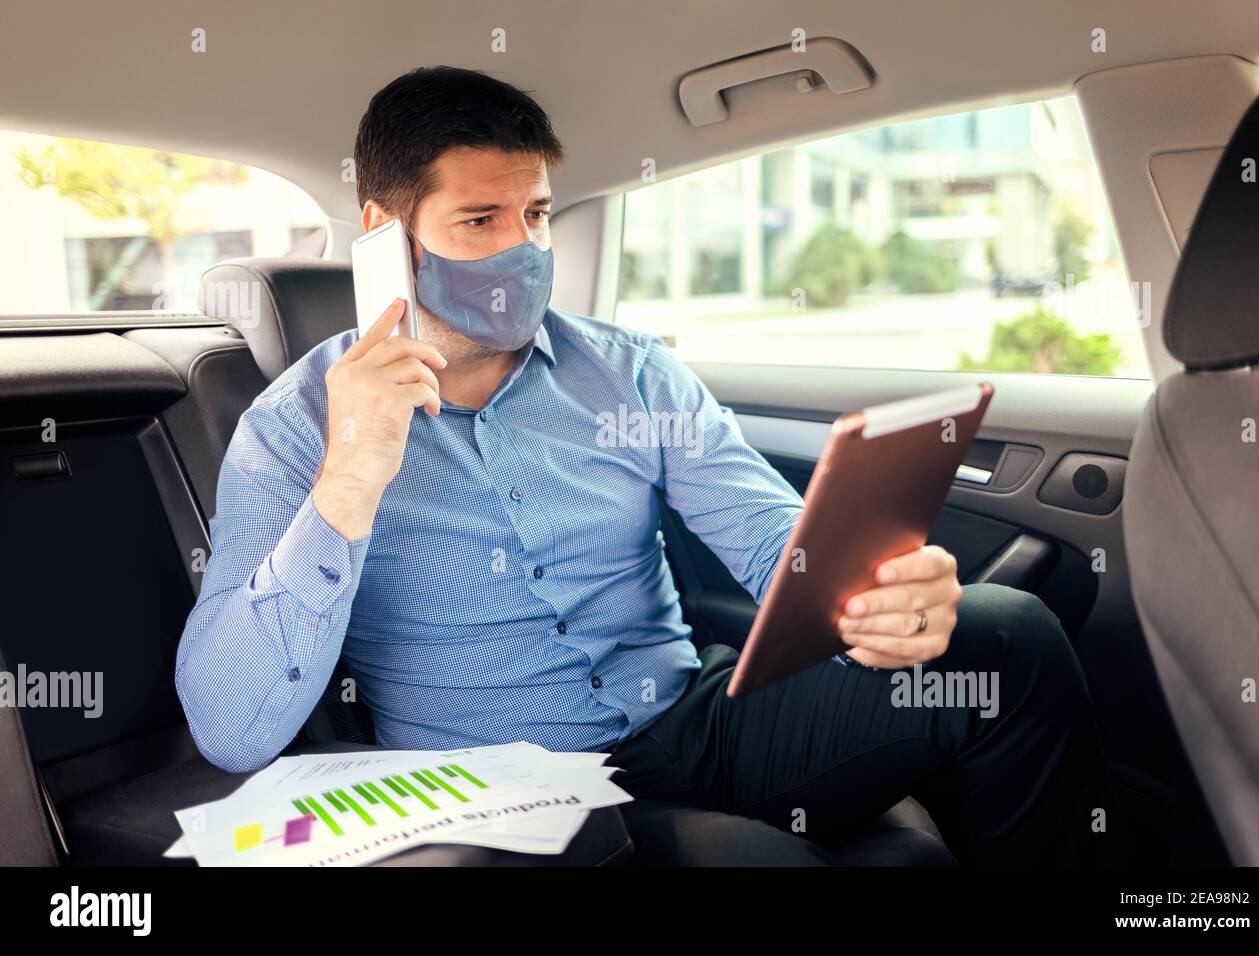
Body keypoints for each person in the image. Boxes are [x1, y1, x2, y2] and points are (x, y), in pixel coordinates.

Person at [175, 66, 1107, 865]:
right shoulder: (292, 431)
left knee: (1007, 635)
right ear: (383, 234)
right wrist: (350, 478)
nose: (524, 249)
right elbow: (230, 725)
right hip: (510, 791)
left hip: (694, 715)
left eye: (536, 213)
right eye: (479, 220)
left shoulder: (630, 373)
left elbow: (773, 540)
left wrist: (874, 593)